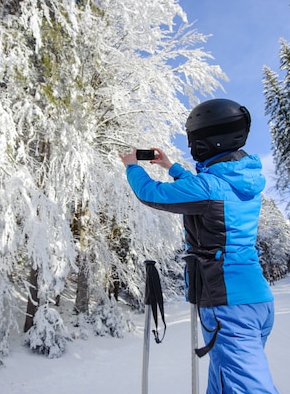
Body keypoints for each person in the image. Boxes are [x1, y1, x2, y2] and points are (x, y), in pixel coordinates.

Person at [119, 98, 278, 394]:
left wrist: (132, 167)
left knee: (247, 388)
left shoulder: (209, 188)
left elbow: (150, 193)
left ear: (204, 142)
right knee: (224, 381)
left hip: (227, 303)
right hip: (257, 300)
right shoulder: (241, 181)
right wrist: (171, 166)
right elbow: (205, 190)